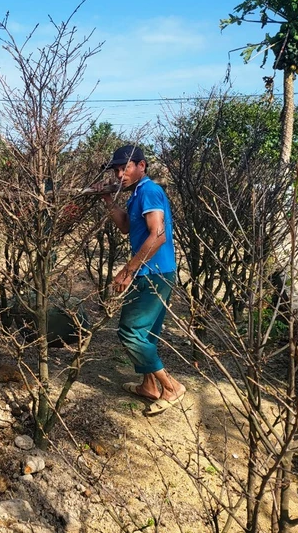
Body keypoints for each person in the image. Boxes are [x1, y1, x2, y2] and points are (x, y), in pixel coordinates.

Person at [101, 144, 185, 415]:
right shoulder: (136, 194)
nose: (119, 175)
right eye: (116, 170)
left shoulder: (149, 191)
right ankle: (149, 386)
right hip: (156, 271)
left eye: (124, 168)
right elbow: (127, 226)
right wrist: (108, 201)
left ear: (141, 166)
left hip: (153, 272)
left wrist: (128, 271)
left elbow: (158, 235)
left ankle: (170, 387)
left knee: (130, 331)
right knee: (146, 333)